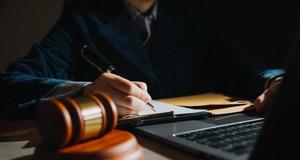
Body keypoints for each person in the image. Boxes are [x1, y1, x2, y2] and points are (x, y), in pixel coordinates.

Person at [0, 0, 284, 119]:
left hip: (187, 143)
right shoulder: (82, 17)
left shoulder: (190, 16)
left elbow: (242, 69)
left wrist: (278, 81)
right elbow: (10, 85)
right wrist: (85, 92)